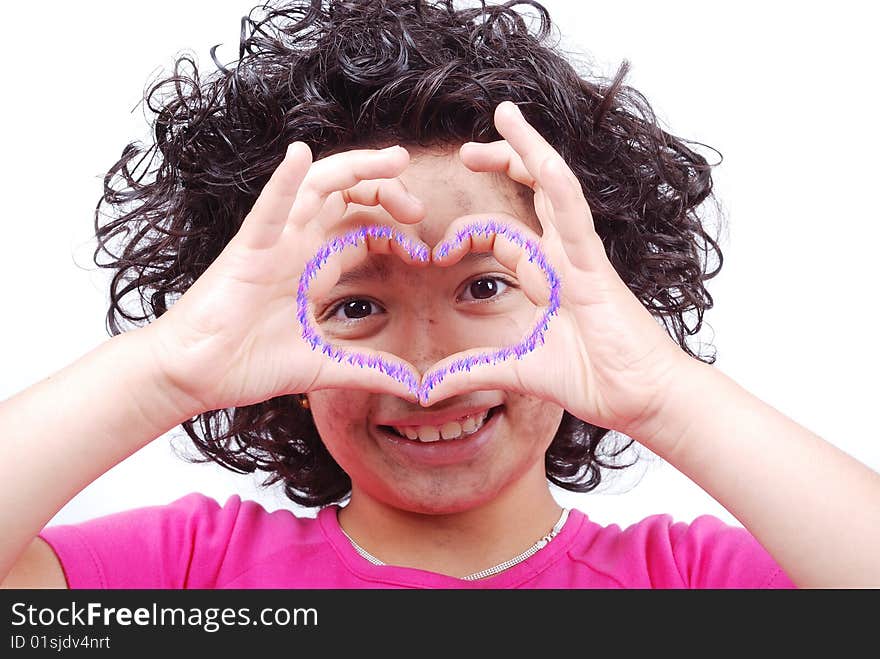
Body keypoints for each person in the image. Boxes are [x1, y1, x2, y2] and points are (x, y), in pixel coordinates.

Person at [1, 0, 878, 589]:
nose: (429, 365)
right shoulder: (189, 573)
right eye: (356, 304)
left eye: (485, 283)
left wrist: (659, 387)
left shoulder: (689, 584)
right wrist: (172, 366)